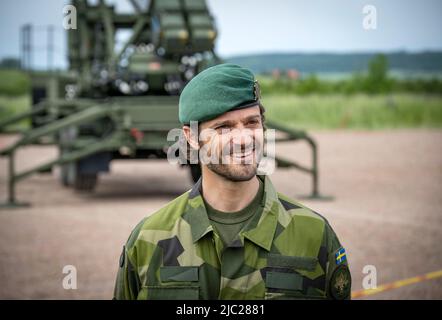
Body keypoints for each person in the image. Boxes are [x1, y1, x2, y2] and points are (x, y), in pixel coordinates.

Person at [113, 63, 351, 300]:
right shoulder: (148, 239)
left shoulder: (314, 235)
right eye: (224, 127)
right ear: (191, 137)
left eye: (251, 122)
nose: (244, 139)